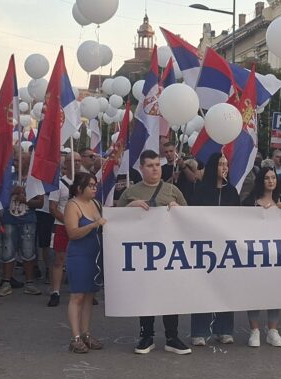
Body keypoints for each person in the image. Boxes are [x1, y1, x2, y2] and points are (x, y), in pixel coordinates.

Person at [117, 150, 191, 355]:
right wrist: (129, 208)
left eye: (157, 165)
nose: (155, 169)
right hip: (143, 254)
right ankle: (146, 336)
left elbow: (190, 219)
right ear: (141, 168)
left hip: (169, 253)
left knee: (170, 294)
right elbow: (114, 224)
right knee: (146, 294)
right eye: (150, 165)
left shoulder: (172, 190)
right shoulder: (130, 192)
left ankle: (172, 337)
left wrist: (178, 210)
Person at [190, 152, 240, 346]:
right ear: (213, 167)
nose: (225, 167)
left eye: (226, 164)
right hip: (205, 247)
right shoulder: (201, 190)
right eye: (220, 164)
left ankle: (224, 329)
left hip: (226, 248)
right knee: (203, 288)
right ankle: (199, 331)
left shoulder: (232, 192)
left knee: (226, 289)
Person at [243, 166, 281, 347]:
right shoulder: (250, 203)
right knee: (254, 292)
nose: (271, 181)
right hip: (254, 256)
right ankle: (255, 330)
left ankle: (273, 330)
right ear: (261, 180)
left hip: (276, 256)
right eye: (267, 178)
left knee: (275, 291)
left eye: (273, 178)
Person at [63, 172, 105, 354]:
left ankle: (86, 333)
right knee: (77, 296)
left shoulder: (95, 203)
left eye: (95, 185)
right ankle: (76, 337)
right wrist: (92, 225)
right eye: (91, 185)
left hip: (94, 255)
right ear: (80, 188)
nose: (94, 188)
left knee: (89, 296)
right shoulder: (73, 205)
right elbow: (72, 233)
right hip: (79, 255)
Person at [0, 150, 42, 297]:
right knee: (7, 250)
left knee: (28, 251)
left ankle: (29, 283)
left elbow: (40, 203)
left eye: (18, 161)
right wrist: (11, 192)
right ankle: (6, 282)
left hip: (28, 220)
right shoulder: (7, 177)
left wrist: (26, 200)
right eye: (14, 160)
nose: (15, 164)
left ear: (28, 162)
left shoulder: (35, 179)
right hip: (9, 220)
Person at [46, 158, 76, 308]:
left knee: (80, 259)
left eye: (78, 160)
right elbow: (53, 207)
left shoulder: (85, 181)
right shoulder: (58, 184)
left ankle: (82, 292)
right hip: (62, 226)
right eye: (73, 161)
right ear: (66, 164)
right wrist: (68, 221)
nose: (76, 163)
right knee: (59, 260)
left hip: (80, 226)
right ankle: (55, 292)